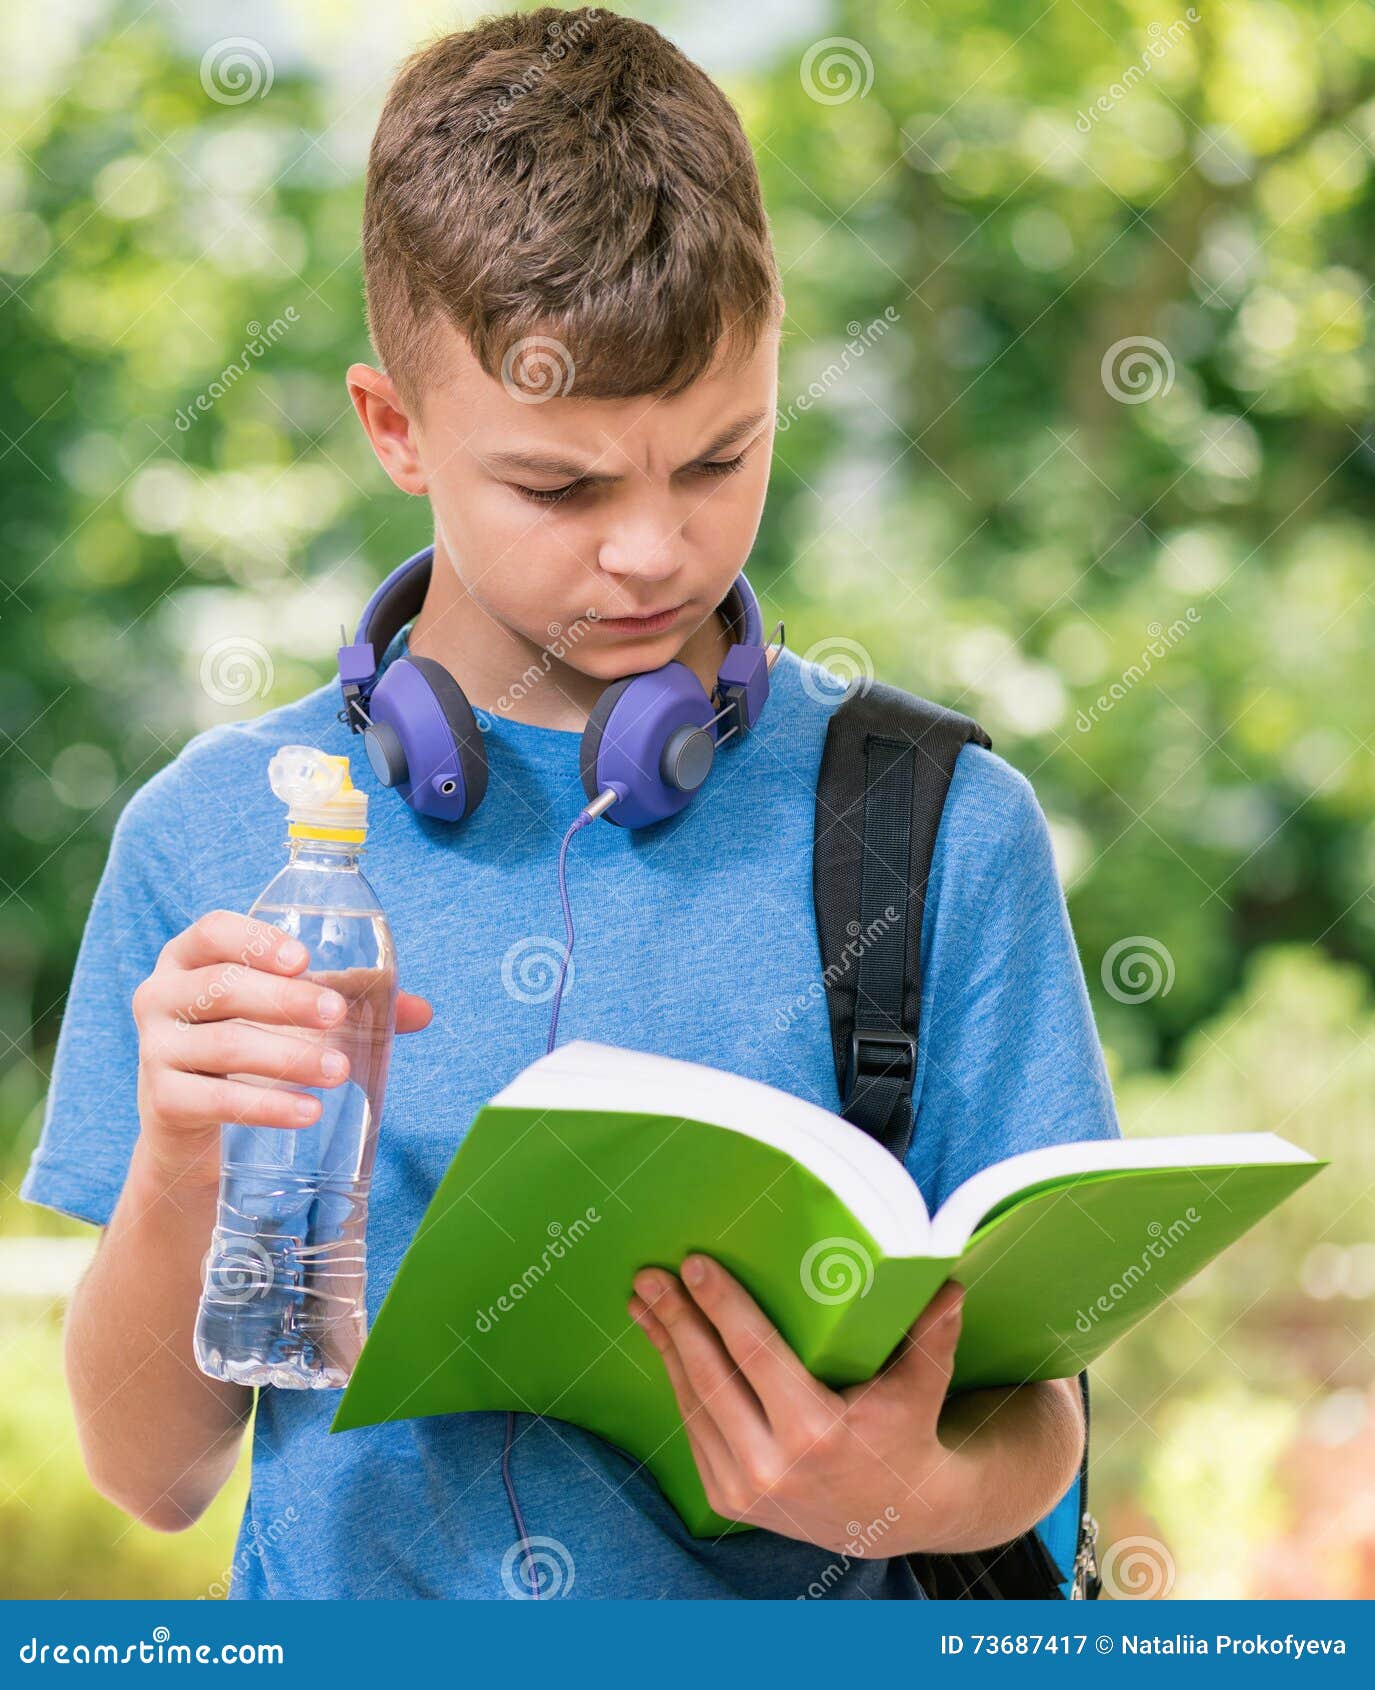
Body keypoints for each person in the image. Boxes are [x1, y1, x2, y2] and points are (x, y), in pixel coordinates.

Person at [23, 7, 1119, 1599]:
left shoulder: (939, 825)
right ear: (395, 428)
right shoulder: (213, 837)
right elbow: (151, 1470)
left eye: (719, 458)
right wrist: (185, 1155)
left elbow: (1045, 1407)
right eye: (562, 486)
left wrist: (912, 1490)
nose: (656, 553)